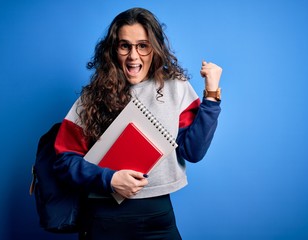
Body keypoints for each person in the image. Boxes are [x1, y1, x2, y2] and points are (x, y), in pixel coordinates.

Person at [54, 7, 222, 240]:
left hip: (159, 217)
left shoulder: (177, 87)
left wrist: (211, 96)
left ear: (155, 48)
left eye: (142, 46)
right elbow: (64, 161)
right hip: (105, 218)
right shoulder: (93, 96)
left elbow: (193, 152)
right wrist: (109, 179)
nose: (133, 56)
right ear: (113, 50)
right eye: (125, 46)